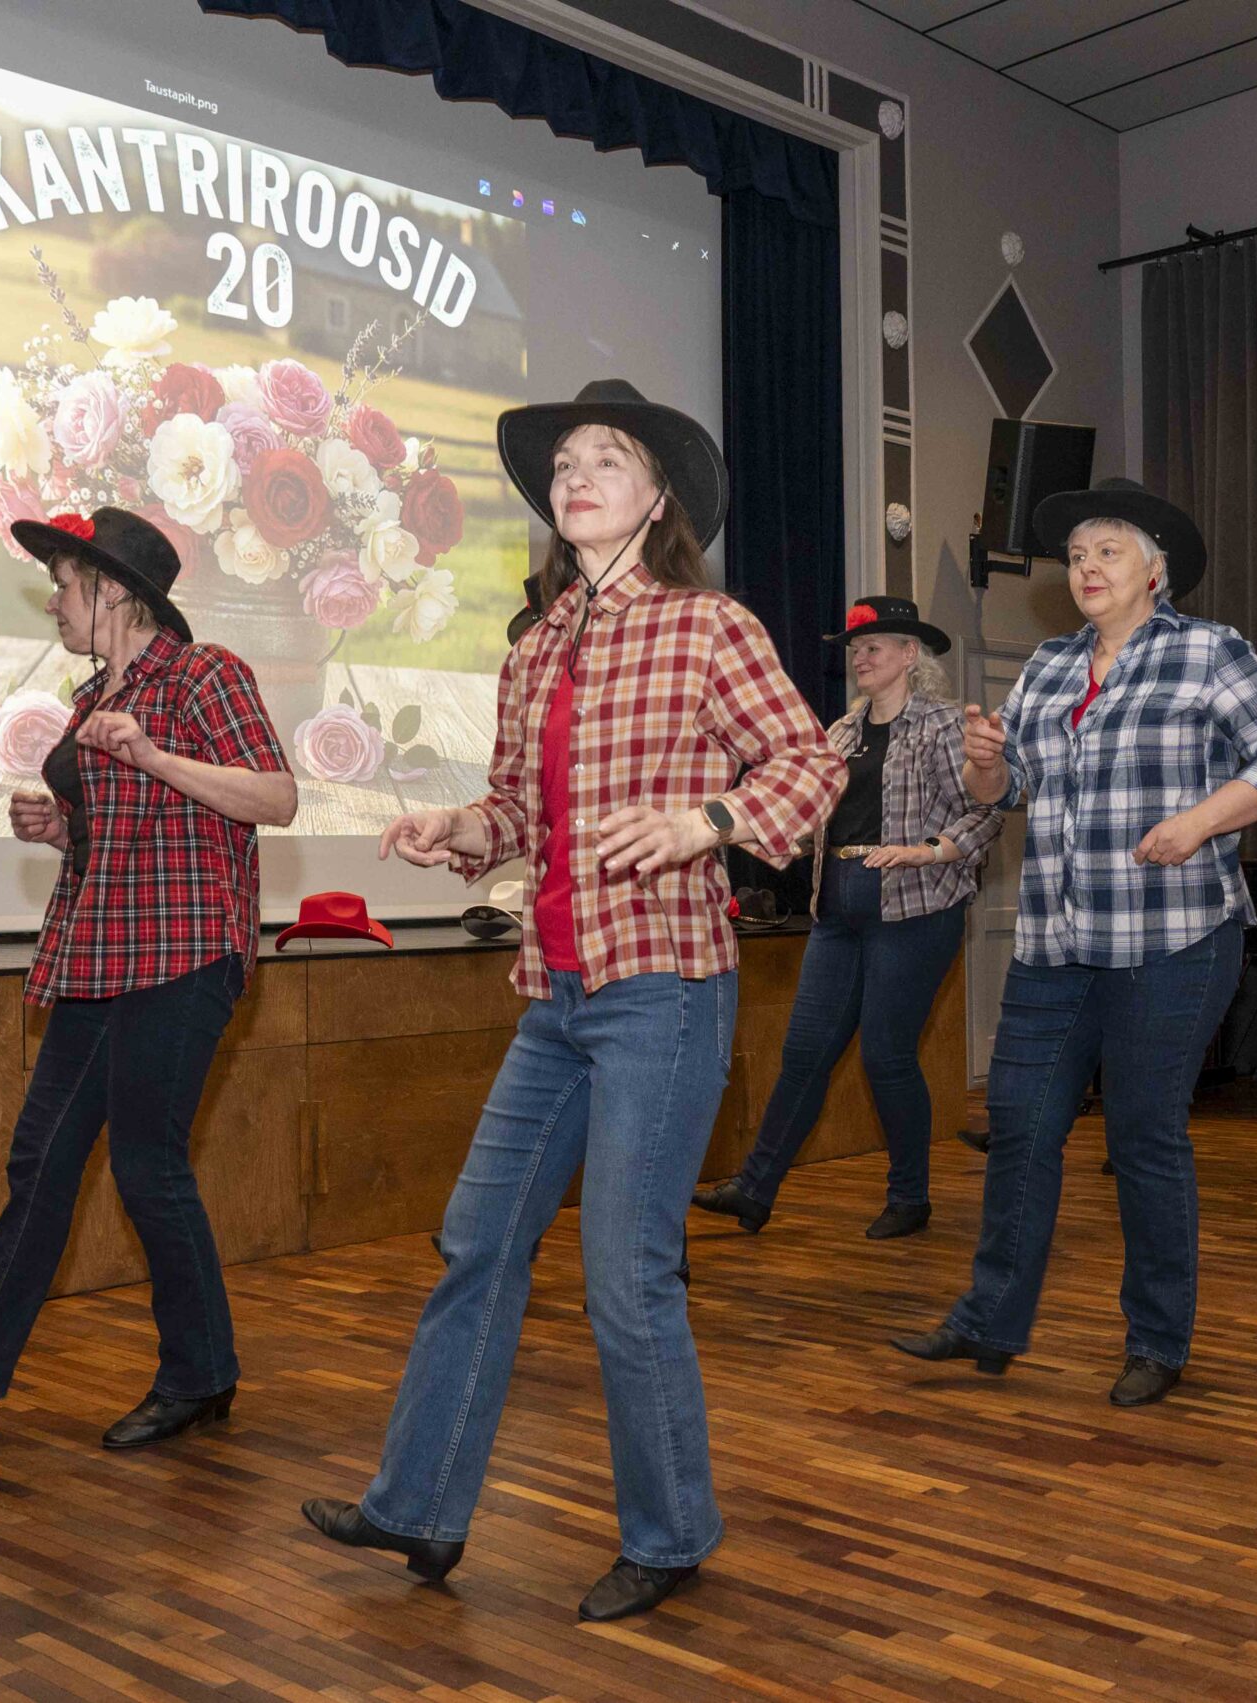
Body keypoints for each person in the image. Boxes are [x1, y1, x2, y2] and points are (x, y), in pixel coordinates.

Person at [299, 379, 842, 1623]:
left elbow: (811, 760)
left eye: (608, 459)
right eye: (563, 465)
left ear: (657, 500)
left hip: (663, 987)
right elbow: (518, 810)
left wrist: (709, 819)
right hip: (554, 992)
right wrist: (457, 828)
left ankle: (670, 1532)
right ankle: (417, 1505)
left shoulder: (708, 627)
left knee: (624, 1274)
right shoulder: (535, 646)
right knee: (476, 1241)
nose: (577, 476)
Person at [0, 507, 294, 1446]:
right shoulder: (94, 695)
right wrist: (63, 828)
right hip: (100, 953)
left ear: (115, 592)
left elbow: (275, 794)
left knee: (146, 1165)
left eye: (63, 585)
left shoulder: (205, 673)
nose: (52, 601)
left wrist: (154, 755)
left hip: (183, 952)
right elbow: (122, 832)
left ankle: (199, 1375)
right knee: (42, 1157)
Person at [889, 479, 1257, 1408]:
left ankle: (1158, 1340)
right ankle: (989, 1319)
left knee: (1142, 1135)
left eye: (1107, 551)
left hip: (1176, 936)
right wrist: (986, 761)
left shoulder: (1209, 650)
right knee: (1020, 1127)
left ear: (1155, 571)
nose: (1086, 566)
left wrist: (1199, 821)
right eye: (1077, 554)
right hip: (1056, 938)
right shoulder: (1049, 664)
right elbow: (1009, 788)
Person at [693, 595, 1001, 1240]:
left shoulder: (944, 727)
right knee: (804, 1054)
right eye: (855, 649)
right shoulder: (838, 734)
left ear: (910, 655)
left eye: (873, 647)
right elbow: (807, 824)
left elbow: (987, 812)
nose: (860, 657)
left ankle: (910, 1198)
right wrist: (734, 829)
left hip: (915, 908)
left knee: (887, 1056)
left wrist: (930, 850)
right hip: (836, 908)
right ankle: (755, 1190)